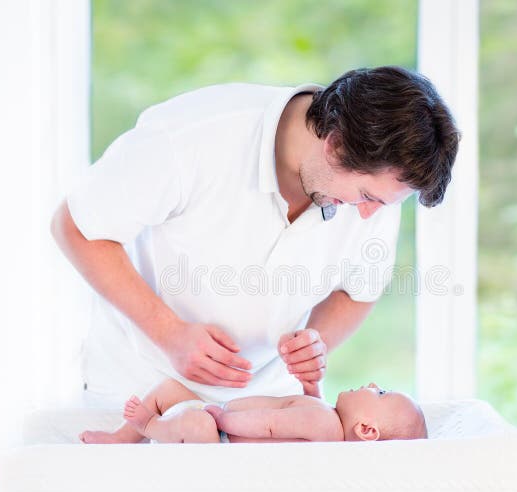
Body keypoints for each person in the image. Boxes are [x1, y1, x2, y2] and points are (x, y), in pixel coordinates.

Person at [51, 66, 459, 408]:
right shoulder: (192, 136)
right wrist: (168, 332)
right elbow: (76, 225)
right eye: (368, 196)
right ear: (335, 145)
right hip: (138, 392)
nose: (371, 213)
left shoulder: (377, 192)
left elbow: (358, 292)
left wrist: (316, 342)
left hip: (266, 406)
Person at [80, 378, 427, 444]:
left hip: (220, 434)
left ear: (367, 430)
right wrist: (311, 389)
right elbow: (300, 415)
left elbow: (273, 425)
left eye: (380, 392)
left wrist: (225, 419)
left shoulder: (325, 424)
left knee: (195, 423)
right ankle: (120, 438)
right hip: (219, 417)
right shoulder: (327, 421)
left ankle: (149, 426)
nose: (370, 383)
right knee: (172, 390)